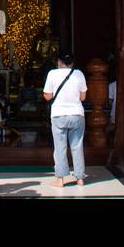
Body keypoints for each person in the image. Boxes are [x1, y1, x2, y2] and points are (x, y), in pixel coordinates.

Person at [43, 50, 88, 187]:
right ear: (72, 63)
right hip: (77, 114)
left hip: (58, 114)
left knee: (60, 147)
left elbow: (48, 96)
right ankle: (80, 178)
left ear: (59, 62)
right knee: (77, 146)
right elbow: (83, 97)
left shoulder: (52, 74)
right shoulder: (79, 74)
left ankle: (61, 179)